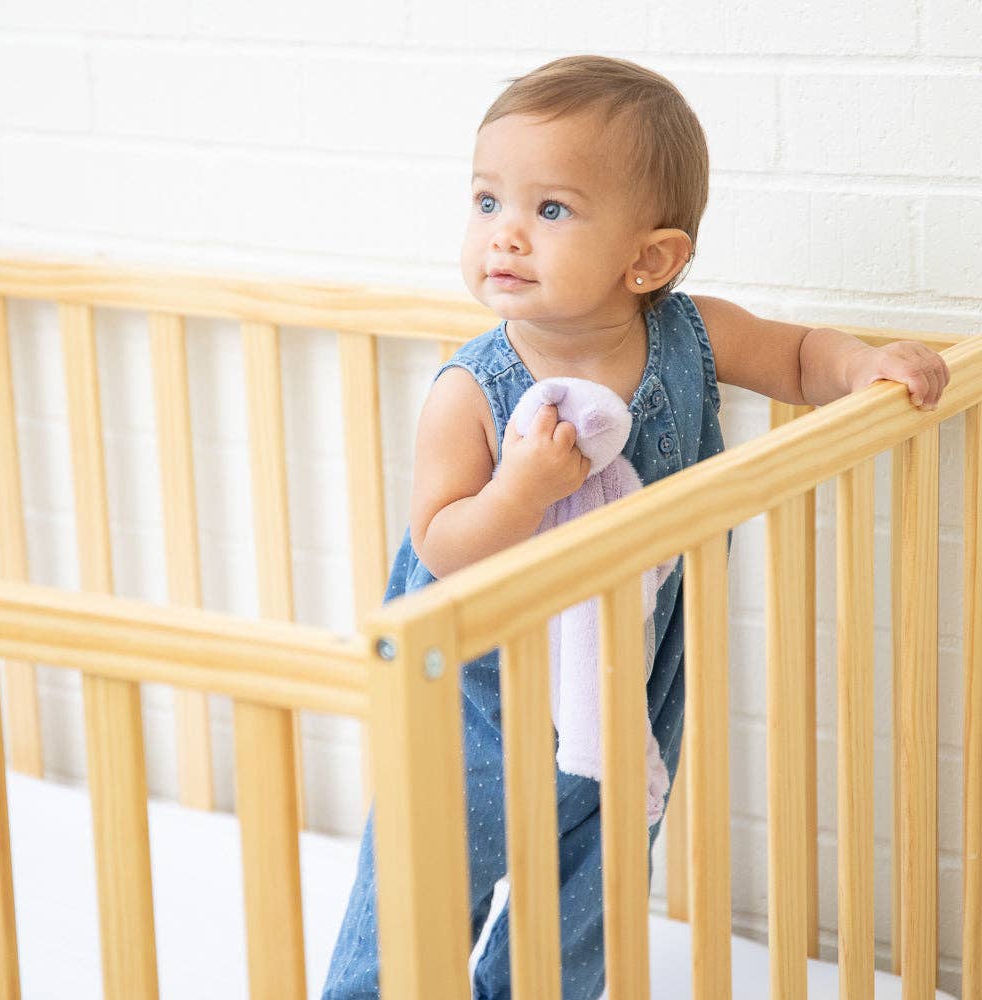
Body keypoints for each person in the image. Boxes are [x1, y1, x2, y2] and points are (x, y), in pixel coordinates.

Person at [322, 54, 950, 1000]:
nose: (506, 236)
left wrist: (865, 369)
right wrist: (519, 492)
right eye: (488, 201)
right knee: (425, 879)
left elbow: (798, 354)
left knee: (596, 882)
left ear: (649, 258)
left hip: (624, 678)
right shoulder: (473, 389)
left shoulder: (692, 334)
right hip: (474, 698)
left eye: (552, 210)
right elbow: (442, 543)